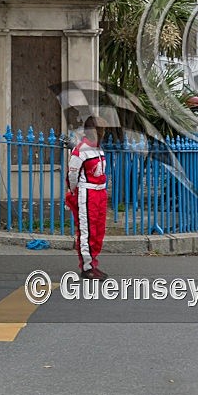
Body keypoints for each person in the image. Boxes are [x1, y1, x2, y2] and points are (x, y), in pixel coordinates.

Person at [66, 116, 109, 280]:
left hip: (100, 193)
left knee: (98, 231)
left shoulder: (98, 149)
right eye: (100, 130)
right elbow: (73, 175)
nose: (103, 133)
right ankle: (86, 267)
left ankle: (92, 263)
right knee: (87, 231)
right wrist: (74, 192)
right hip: (88, 194)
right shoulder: (80, 150)